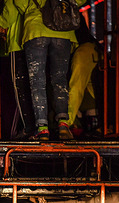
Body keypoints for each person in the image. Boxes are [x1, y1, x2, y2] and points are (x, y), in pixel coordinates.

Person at [13, 0, 86, 140]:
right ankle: (63, 125)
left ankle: (42, 129)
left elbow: (19, 2)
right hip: (63, 29)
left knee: (37, 82)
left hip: (36, 28)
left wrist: (31, 7)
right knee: (60, 79)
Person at [0, 0, 35, 139]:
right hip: (36, 40)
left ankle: (28, 128)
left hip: (18, 42)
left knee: (20, 87)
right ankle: (40, 127)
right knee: (36, 86)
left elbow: (9, 14)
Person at [67, 16, 102, 138]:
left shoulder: (83, 52)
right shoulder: (89, 48)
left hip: (90, 109)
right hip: (94, 108)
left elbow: (76, 87)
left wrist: (66, 123)